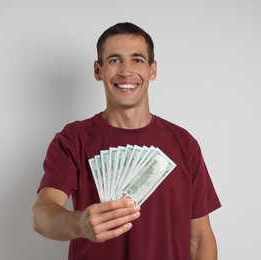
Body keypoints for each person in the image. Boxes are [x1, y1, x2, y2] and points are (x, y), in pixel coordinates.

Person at [33, 22, 221, 260]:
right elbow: (42, 214)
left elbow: (200, 237)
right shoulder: (73, 139)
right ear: (98, 70)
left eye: (137, 60)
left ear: (153, 70)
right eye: (114, 60)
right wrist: (79, 224)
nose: (125, 71)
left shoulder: (184, 144)